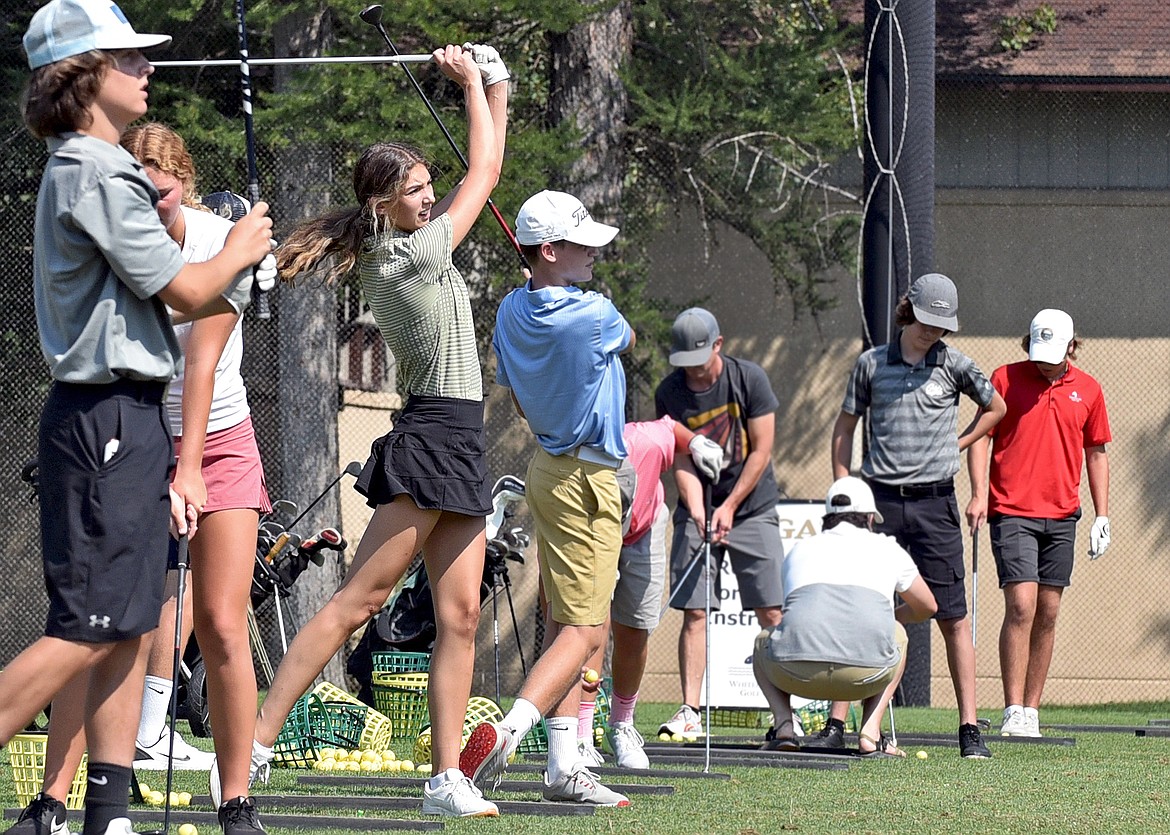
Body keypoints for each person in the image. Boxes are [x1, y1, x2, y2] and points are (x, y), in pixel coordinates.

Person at [6, 3, 273, 835]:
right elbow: (188, 291)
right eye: (128, 58)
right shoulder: (95, 168)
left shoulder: (90, 164)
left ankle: (106, 816)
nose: (147, 70)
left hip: (120, 419)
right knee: (90, 627)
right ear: (84, 76)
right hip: (107, 419)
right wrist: (240, 246)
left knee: (123, 626)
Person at [245, 43, 510, 819]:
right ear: (383, 205)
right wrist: (471, 85)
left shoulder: (412, 242)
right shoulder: (403, 260)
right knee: (358, 603)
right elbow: (484, 174)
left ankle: (443, 779)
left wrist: (495, 84)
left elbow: (482, 159)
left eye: (431, 187)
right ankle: (256, 744)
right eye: (417, 190)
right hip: (429, 437)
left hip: (460, 438)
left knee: (459, 616)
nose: (430, 199)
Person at [460, 189, 632, 807]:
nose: (594, 254)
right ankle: (511, 733)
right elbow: (626, 337)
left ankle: (563, 765)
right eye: (582, 245)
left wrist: (539, 287)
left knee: (564, 619)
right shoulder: (594, 314)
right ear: (550, 249)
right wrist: (558, 292)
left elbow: (518, 357)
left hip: (547, 470)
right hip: (587, 480)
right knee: (586, 632)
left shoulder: (509, 310)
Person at [829, 272, 1006, 759]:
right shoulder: (870, 364)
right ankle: (836, 723)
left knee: (953, 616)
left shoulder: (955, 365)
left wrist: (962, 441)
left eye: (942, 325)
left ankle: (969, 729)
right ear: (910, 311)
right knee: (862, 610)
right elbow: (845, 428)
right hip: (879, 503)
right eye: (927, 321)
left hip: (936, 503)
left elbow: (997, 407)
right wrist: (845, 488)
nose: (933, 332)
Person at [967, 309, 1111, 738]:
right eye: (1037, 350)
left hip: (1063, 515)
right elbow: (979, 438)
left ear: (1071, 346)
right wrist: (978, 493)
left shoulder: (1088, 390)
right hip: (1011, 511)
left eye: (1053, 352)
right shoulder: (1005, 379)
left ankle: (1032, 710)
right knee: (1022, 606)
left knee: (1048, 612)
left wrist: (1103, 515)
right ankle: (1012, 709)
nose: (1043, 360)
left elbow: (1096, 452)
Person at [653, 307, 785, 739]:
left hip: (752, 506)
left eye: (700, 362)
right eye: (684, 365)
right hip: (699, 506)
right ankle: (690, 710)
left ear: (718, 346)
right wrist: (699, 512)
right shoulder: (669, 392)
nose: (693, 373)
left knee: (770, 610)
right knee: (694, 611)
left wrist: (728, 507)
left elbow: (762, 451)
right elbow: (681, 459)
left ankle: (784, 715)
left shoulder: (749, 380)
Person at [577, 417, 723, 769]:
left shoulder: (648, 441)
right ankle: (580, 735)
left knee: (635, 628)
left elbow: (673, 429)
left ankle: (621, 724)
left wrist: (698, 443)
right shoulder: (578, 463)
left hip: (645, 525)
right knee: (590, 629)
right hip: (592, 526)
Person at [753, 477, 937, 756]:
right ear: (869, 518)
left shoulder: (800, 548)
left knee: (761, 641)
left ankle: (784, 728)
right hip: (865, 675)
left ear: (828, 518)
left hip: (797, 675)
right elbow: (927, 606)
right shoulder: (888, 548)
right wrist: (891, 617)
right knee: (898, 633)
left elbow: (787, 611)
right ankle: (870, 732)